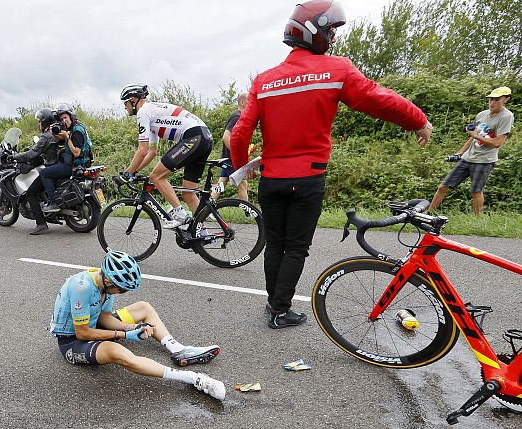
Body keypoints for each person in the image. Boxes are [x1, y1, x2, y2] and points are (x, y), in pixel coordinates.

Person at [229, 0, 432, 329]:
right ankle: (279, 310)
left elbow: (240, 134)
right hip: (308, 178)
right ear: (313, 32)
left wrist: (242, 169)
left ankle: (273, 304)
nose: (333, 38)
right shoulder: (336, 70)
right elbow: (376, 98)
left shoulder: (264, 80)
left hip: (271, 180)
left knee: (275, 245)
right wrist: (418, 120)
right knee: (296, 248)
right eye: (331, 31)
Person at [50, 250, 226, 400]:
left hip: (93, 324)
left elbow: (104, 317)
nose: (123, 293)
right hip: (73, 342)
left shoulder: (104, 282)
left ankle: (178, 350)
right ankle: (192, 378)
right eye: (122, 289)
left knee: (143, 307)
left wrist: (132, 328)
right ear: (109, 281)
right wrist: (124, 335)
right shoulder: (82, 287)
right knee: (117, 352)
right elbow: (83, 333)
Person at [119, 84, 214, 229]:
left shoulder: (143, 112)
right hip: (204, 137)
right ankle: (202, 233)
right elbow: (152, 151)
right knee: (188, 193)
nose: (125, 107)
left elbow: (142, 150)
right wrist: (134, 171)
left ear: (132, 100)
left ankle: (180, 215)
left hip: (194, 137)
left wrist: (126, 174)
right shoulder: (152, 112)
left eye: (125, 103)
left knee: (156, 177)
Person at [428, 87, 514, 216]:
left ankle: (477, 221)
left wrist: (475, 136)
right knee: (443, 186)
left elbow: (498, 143)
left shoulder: (506, 116)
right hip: (467, 157)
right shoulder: (482, 115)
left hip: (484, 160)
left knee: (476, 191)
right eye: (491, 99)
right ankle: (428, 214)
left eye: (497, 100)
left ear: (506, 99)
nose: (492, 103)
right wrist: (460, 152)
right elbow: (473, 138)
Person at [12, 108, 63, 235]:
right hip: (59, 166)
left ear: (45, 122)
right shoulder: (56, 132)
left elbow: (31, 154)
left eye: (40, 121)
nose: (39, 124)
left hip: (51, 168)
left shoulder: (47, 136)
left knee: (30, 193)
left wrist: (14, 157)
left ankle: (41, 224)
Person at [41, 103, 93, 214]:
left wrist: (67, 138)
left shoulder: (77, 131)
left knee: (44, 173)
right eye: (61, 119)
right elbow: (58, 140)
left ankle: (52, 203)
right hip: (80, 164)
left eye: (65, 117)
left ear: (71, 116)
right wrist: (53, 132)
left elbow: (76, 153)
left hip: (75, 166)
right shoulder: (76, 127)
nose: (64, 121)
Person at [214, 93, 250, 201]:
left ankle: (207, 206)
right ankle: (247, 210)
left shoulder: (238, 116)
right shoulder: (237, 116)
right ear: (242, 102)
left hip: (228, 158)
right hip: (231, 159)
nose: (251, 104)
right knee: (243, 184)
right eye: (249, 101)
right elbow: (226, 137)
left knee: (221, 183)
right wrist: (236, 154)